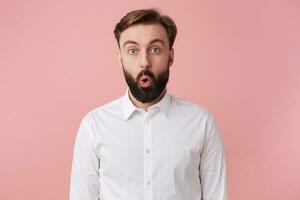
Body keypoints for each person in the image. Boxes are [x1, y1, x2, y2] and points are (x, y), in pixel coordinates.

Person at [69, 8, 228, 200]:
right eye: (132, 51)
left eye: (155, 49)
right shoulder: (94, 126)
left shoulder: (202, 123)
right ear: (121, 58)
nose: (144, 62)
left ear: (170, 56)